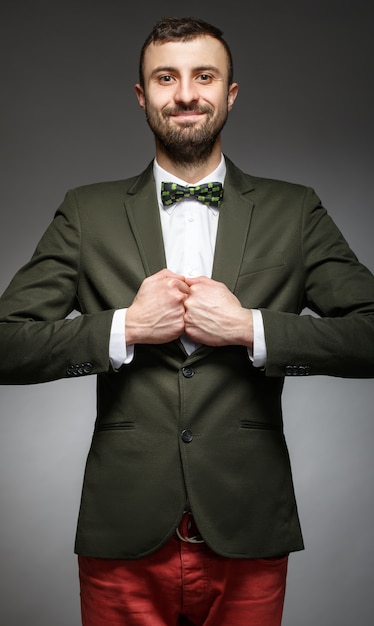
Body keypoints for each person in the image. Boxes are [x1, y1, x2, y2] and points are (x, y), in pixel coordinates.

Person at [0, 15, 374, 626]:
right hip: (123, 530)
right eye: (166, 77)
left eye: (204, 76)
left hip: (248, 525)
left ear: (229, 93)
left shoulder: (295, 209)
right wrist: (123, 328)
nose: (185, 94)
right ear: (142, 96)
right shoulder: (85, 211)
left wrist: (252, 327)